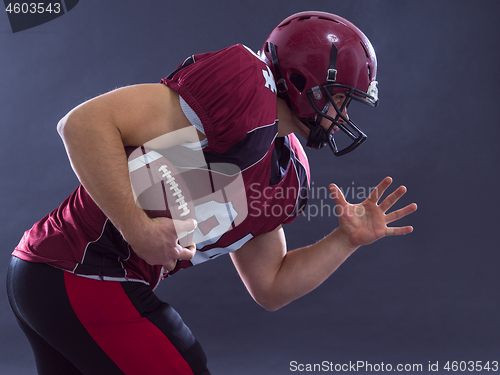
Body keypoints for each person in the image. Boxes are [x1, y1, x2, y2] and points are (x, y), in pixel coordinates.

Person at [6, 11, 417, 375]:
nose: (342, 115)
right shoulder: (244, 93)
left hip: (63, 278)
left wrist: (344, 241)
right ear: (300, 79)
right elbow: (82, 124)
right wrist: (137, 229)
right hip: (79, 269)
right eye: (340, 98)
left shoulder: (289, 174)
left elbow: (270, 286)